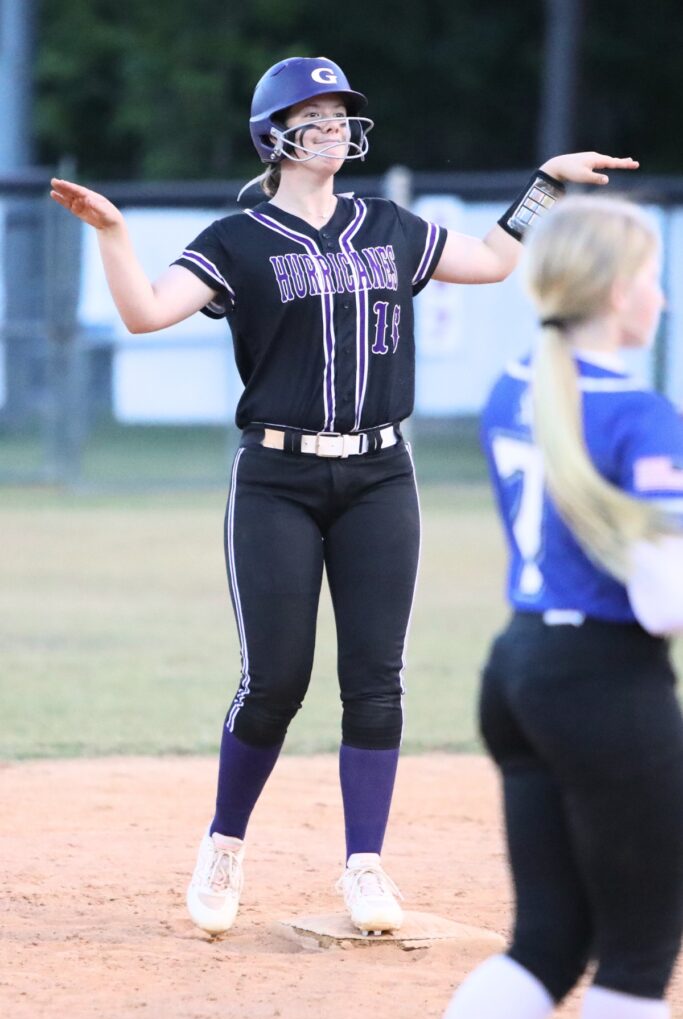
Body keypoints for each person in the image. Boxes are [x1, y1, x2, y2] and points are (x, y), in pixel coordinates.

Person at [49, 55, 638, 939]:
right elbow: (144, 313)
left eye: (339, 113)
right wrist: (111, 234)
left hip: (378, 474)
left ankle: (364, 864)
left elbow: (487, 263)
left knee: (375, 680)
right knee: (275, 678)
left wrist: (544, 187)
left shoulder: (388, 225)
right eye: (313, 114)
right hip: (276, 477)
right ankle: (224, 841)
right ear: (274, 136)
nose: (332, 126)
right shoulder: (237, 240)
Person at [443, 195, 683, 1019]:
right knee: (638, 955)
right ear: (617, 292)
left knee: (545, 945)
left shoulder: (512, 388)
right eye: (651, 278)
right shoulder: (640, 415)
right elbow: (662, 607)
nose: (661, 295)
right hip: (604, 685)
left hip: (518, 670)